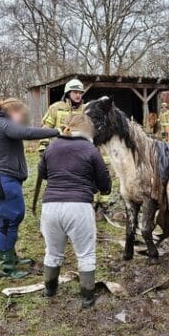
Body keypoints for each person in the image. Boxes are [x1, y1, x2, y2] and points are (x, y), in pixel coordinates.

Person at [0, 98, 61, 279]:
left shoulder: (0, 126)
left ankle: (10, 258)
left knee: (8, 220)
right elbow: (27, 132)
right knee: (9, 220)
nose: (22, 118)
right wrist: (57, 131)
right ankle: (7, 266)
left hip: (0, 180)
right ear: (11, 111)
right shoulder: (3, 124)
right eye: (20, 114)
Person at [39, 115, 111, 308]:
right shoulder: (90, 149)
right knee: (85, 254)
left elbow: (43, 173)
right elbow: (104, 182)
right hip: (79, 206)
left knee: (53, 252)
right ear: (88, 131)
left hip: (50, 206)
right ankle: (87, 297)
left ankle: (49, 290)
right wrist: (98, 187)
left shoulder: (52, 146)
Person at [37, 79, 86, 155]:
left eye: (80, 93)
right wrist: (43, 146)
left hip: (79, 151)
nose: (78, 95)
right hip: (58, 150)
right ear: (68, 93)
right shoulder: (55, 107)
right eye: (75, 92)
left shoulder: (85, 110)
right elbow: (46, 127)